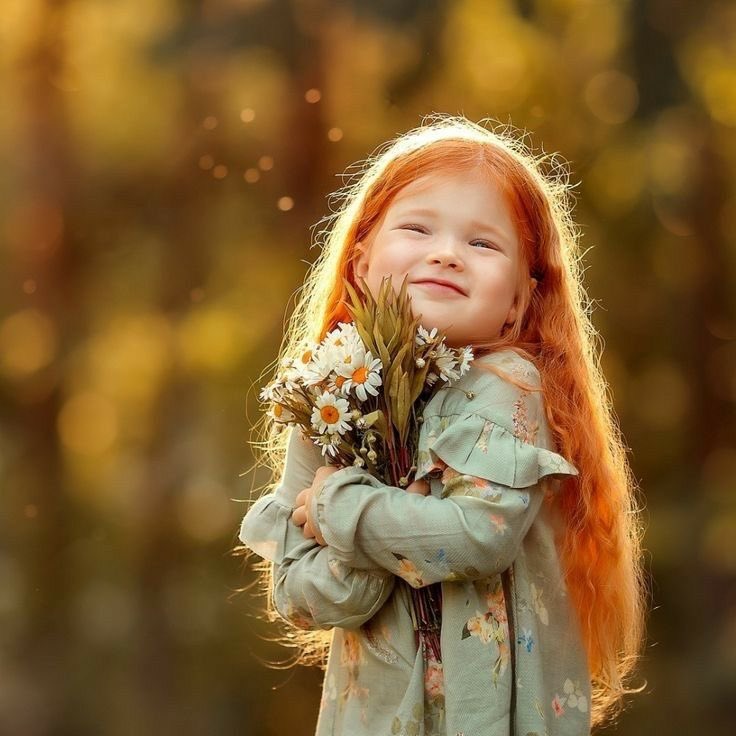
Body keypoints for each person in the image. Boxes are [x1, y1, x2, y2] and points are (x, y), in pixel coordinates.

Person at [237, 114, 645, 736]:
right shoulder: (329, 399)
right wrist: (389, 527)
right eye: (417, 227)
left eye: (483, 244)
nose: (446, 253)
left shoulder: (508, 387)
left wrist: (340, 511)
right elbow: (303, 594)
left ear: (520, 300)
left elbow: (475, 538)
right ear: (360, 261)